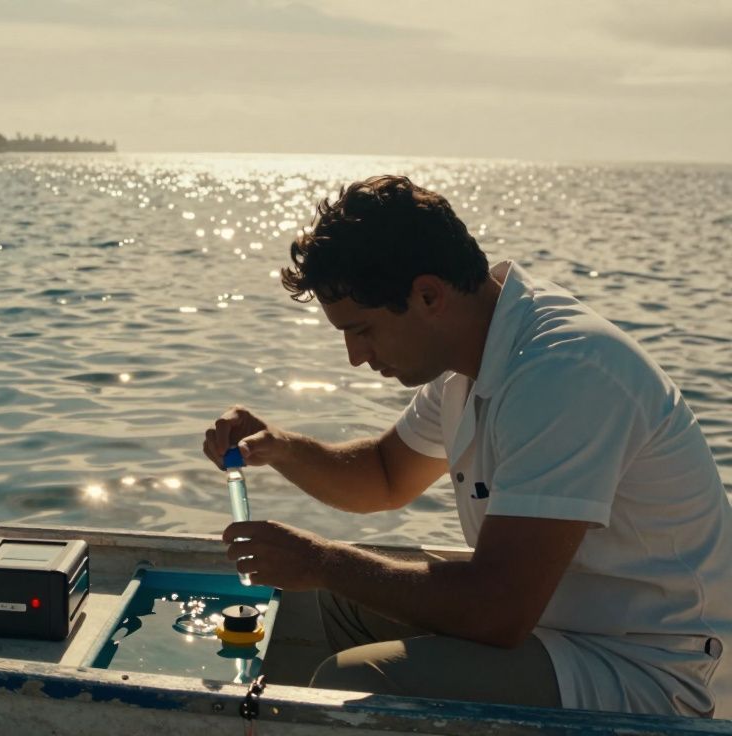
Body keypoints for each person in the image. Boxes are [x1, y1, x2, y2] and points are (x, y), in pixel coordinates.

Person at [202, 175, 732, 717]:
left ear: (428, 294)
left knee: (349, 680)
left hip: (650, 670)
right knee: (341, 601)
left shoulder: (564, 372)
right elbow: (385, 476)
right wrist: (281, 447)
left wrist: (320, 559)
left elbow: (496, 612)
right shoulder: (474, 353)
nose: (355, 357)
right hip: (555, 625)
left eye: (362, 330)